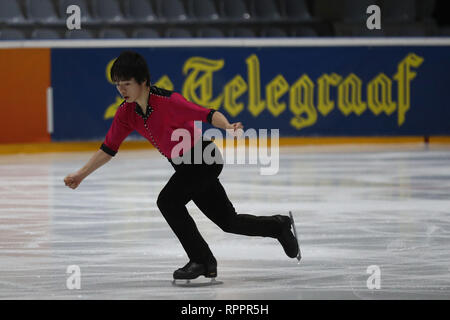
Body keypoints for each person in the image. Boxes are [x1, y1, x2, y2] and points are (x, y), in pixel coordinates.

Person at [64, 51, 299, 281]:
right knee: (229, 222)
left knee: (168, 201)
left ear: (143, 81)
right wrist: (81, 174)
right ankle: (278, 226)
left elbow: (206, 113)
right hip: (185, 166)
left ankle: (202, 260)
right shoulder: (126, 113)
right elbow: (108, 148)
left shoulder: (169, 102)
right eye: (117, 84)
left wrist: (228, 126)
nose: (121, 90)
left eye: (126, 83)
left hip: (203, 158)